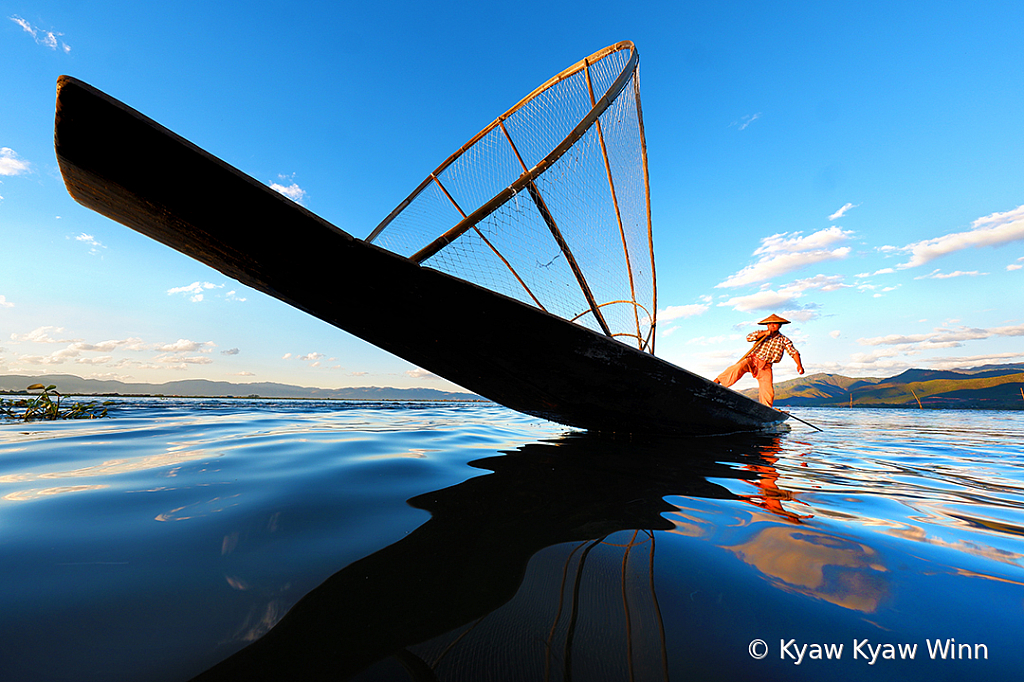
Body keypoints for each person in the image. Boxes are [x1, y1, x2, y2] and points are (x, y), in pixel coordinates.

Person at [714, 314, 804, 407]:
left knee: (767, 388)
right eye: (769, 324)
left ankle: (766, 408)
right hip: (752, 359)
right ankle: (717, 382)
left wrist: (799, 365)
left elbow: (793, 352)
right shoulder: (761, 333)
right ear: (767, 325)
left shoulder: (784, 340)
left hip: (766, 366)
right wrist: (764, 333)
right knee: (738, 367)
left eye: (775, 324)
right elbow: (749, 338)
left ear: (780, 326)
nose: (772, 325)